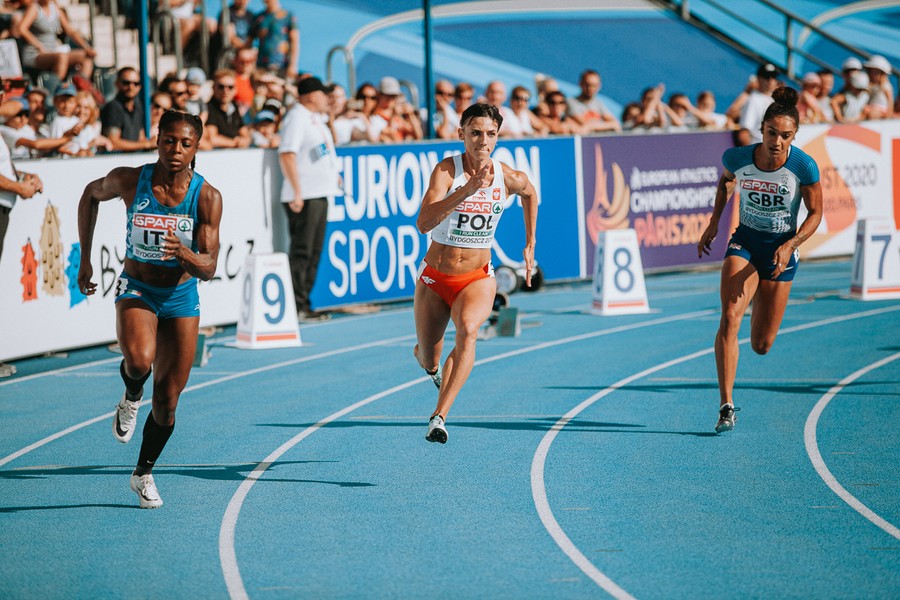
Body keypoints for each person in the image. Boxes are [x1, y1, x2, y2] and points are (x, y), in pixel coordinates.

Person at [76, 110, 223, 508]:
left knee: (168, 401)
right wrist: (85, 260)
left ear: (196, 148)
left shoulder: (206, 197)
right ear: (157, 140)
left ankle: (143, 474)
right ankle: (130, 393)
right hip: (138, 288)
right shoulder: (130, 180)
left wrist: (185, 254)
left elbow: (209, 267)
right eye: (169, 140)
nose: (176, 149)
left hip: (181, 297)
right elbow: (90, 194)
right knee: (140, 360)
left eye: (185, 144)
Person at [697, 87, 823, 434]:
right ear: (761, 130)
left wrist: (791, 244)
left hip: (781, 250)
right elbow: (726, 182)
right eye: (771, 133)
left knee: (761, 345)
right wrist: (714, 222)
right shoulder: (738, 158)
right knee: (729, 316)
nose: (777, 142)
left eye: (785, 136)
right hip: (747, 243)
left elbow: (816, 213)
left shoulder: (803, 166)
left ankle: (759, 297)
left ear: (794, 136)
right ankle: (726, 406)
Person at [413, 102, 538, 444]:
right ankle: (428, 362)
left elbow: (529, 193)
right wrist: (466, 192)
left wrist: (530, 242)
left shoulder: (506, 176)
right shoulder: (446, 171)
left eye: (491, 134)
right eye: (476, 133)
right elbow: (424, 223)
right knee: (429, 358)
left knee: (468, 330)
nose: (483, 141)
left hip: (477, 277)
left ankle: (439, 417)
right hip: (435, 278)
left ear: (497, 137)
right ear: (462, 134)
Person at [277, 76, 339, 322]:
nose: (327, 98)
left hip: (319, 192)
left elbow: (319, 152)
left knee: (314, 251)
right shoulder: (296, 118)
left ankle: (305, 301)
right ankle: (297, 304)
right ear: (312, 95)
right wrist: (297, 191)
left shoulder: (314, 119)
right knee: (302, 250)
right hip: (306, 194)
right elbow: (287, 154)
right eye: (323, 94)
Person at [17, 0, 96, 82]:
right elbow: (22, 29)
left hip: (52, 52)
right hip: (35, 54)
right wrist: (38, 45)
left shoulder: (55, 9)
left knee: (86, 57)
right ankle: (56, 86)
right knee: (62, 57)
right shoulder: (34, 8)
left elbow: (70, 31)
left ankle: (80, 85)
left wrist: (87, 47)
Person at [100, 67, 156, 152]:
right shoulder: (113, 107)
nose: (131, 87)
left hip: (134, 158)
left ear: (140, 86)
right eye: (126, 83)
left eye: (136, 83)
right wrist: (147, 144)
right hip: (116, 159)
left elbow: (141, 138)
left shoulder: (138, 107)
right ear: (117, 84)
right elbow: (112, 143)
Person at [726, 63, 781, 143]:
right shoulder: (753, 100)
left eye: (774, 77)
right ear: (758, 78)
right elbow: (744, 133)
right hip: (760, 146)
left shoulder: (775, 100)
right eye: (766, 77)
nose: (770, 80)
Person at [204, 68, 251, 149]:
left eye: (230, 87)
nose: (226, 90)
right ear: (213, 88)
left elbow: (245, 133)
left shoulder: (234, 106)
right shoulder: (208, 108)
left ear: (235, 89)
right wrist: (235, 143)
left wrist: (244, 140)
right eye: (221, 87)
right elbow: (212, 139)